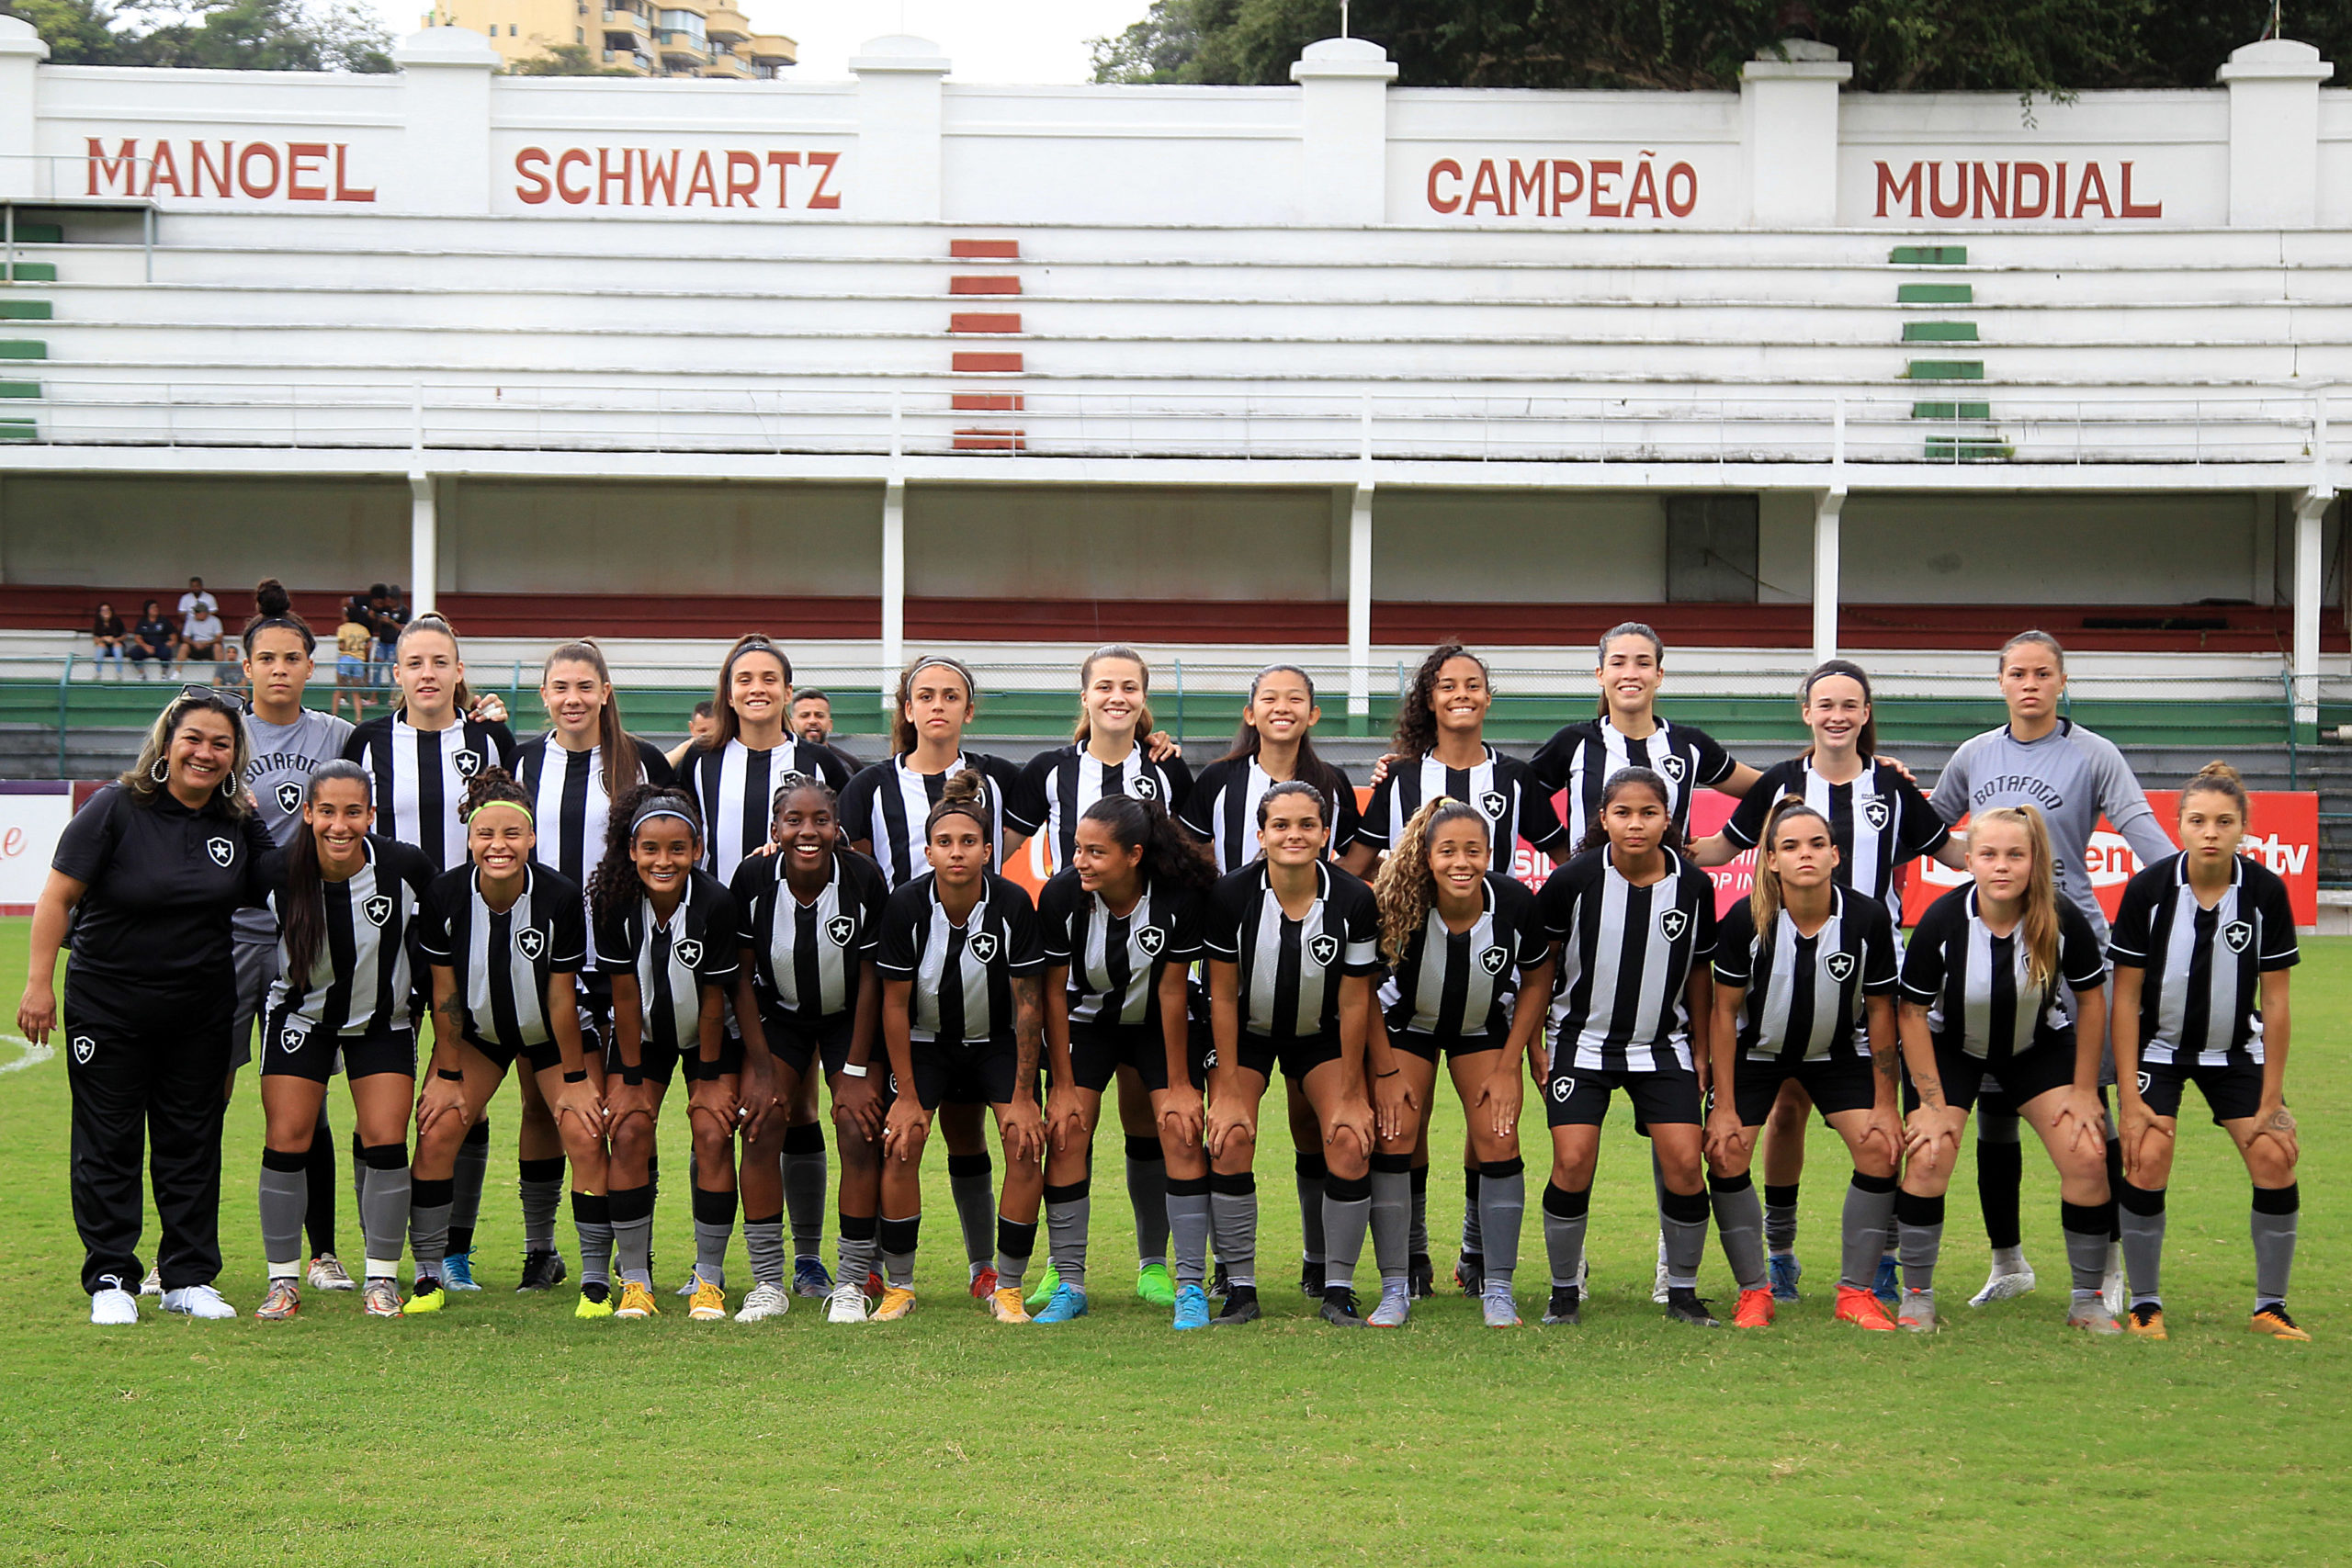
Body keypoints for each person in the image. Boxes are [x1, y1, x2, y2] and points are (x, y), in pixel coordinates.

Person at [1687, 659, 1961, 1304]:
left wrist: (2026, 847)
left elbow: (1954, 852)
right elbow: (1720, 848)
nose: (1837, 714)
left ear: (1866, 715)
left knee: (1884, 1131)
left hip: (1868, 983)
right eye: (1824, 703)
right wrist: (1630, 848)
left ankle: (1880, 1260)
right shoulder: (1782, 784)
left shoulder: (1892, 789)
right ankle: (1777, 1257)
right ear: (1805, 713)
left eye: (1850, 704)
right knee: (1783, 1113)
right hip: (1779, 992)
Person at [1928, 630, 2172, 1312]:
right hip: (1993, 945)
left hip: (2070, 947)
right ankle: (2009, 1262)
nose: (2029, 683)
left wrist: (2195, 880)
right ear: (2000, 680)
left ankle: (2111, 1262)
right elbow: (1938, 834)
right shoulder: (1976, 754)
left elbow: (2143, 833)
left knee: (2091, 1110)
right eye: (2016, 673)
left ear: (2062, 681)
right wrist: (1888, 788)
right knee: (1996, 1114)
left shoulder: (2095, 753)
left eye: (2042, 673)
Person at [18, 687, 277, 1324]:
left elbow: (278, 880)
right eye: (193, 738)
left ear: (234, 755)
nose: (205, 752)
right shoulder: (114, 808)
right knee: (109, 1141)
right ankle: (111, 1274)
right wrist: (38, 983)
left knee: (192, 1142)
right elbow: (56, 899)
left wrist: (256, 817)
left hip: (200, 1012)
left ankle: (187, 1276)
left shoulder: (234, 822)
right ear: (166, 743)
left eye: (221, 743)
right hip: (109, 1008)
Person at [1348, 642, 1570, 1302]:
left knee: (1495, 1129)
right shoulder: (1400, 779)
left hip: (1484, 1000)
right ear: (1431, 697)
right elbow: (1353, 866)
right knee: (1400, 1129)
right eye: (1449, 685)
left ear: (1488, 696)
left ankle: (1478, 1258)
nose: (1462, 694)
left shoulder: (1516, 779)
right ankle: (1410, 1263)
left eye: (1474, 684)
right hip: (1407, 996)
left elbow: (1564, 863)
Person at [840, 654, 1042, 1299]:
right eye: (923, 694)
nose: (936, 705)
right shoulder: (870, 786)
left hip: (984, 985)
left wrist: (1155, 741)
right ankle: (875, 1263)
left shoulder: (1005, 779)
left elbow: (1075, 772)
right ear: (906, 707)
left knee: (967, 1132)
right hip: (896, 978)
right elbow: (859, 872)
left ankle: (987, 1267)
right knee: (888, 1127)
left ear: (968, 709)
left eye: (950, 695)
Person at [342, 613, 516, 1290]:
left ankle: (452, 1251)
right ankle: (378, 1248)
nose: (427, 674)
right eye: (415, 662)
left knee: (461, 1102)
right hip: (380, 939)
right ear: (396, 674)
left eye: (440, 662)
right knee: (379, 1097)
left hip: (470, 942)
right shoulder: (366, 741)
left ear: (459, 670)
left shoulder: (490, 738)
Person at [1176, 663, 1361, 1301]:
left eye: (1297, 698)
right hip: (1237, 990)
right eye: (1269, 698)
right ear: (1250, 711)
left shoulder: (1333, 785)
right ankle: (1237, 1276)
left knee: (1329, 1129)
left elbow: (1358, 863)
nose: (1282, 707)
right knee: (1229, 1129)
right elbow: (1197, 858)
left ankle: (1327, 1270)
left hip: (1316, 996)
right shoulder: (1217, 783)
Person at [1894, 805, 2116, 1335]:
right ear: (1968, 860)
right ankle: (1917, 1297)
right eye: (1989, 854)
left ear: (2035, 860)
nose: (2002, 866)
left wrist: (2086, 1090)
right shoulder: (1943, 922)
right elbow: (1911, 1012)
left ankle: (2088, 1301)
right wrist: (1928, 1104)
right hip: (1952, 1049)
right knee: (1928, 1156)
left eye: (2015, 855)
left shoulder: (2061, 918)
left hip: (2035, 1048)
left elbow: (2092, 1001)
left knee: (2088, 1155)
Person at [674, 634, 852, 1298]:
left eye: (769, 678)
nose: (756, 688)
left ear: (786, 688)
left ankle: (805, 1258)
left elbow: (844, 840)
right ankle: (709, 1260)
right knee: (715, 1104)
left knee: (796, 1103)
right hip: (712, 957)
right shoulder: (697, 760)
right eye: (743, 677)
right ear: (728, 688)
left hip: (795, 959)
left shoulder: (818, 760)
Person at [1017, 643, 1192, 1313]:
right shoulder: (1050, 771)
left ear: (1144, 699)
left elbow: (1192, 858)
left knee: (1149, 1122)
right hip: (1081, 972)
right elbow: (994, 843)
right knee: (1070, 1121)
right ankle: (1064, 1272)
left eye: (1129, 687)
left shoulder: (1170, 770)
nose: (1116, 696)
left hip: (1150, 975)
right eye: (1104, 686)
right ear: (1084, 696)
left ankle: (1155, 1264)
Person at [2110, 763, 2307, 1341]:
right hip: (2159, 1048)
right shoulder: (2149, 890)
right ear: (2180, 827)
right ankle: (2145, 1303)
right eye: (2198, 821)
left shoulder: (2266, 892)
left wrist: (2272, 1099)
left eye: (2224, 821)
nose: (2211, 832)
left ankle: (2270, 1305)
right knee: (2146, 1156)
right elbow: (2124, 1000)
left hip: (2235, 1050)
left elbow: (2276, 1003)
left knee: (2275, 1157)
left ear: (2243, 828)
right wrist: (2128, 1096)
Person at [1704, 798, 1905, 1333]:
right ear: (1771, 861)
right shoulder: (1745, 920)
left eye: (1817, 844)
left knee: (1882, 1148)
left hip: (1837, 1054)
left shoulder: (1866, 918)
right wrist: (1723, 1106)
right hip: (1758, 1054)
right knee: (1725, 1153)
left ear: (1836, 855)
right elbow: (1723, 1014)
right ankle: (1755, 1291)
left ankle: (1856, 1293)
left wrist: (1887, 1104)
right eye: (1790, 846)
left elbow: (1883, 1012)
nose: (1805, 855)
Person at [411, 770, 606, 1317]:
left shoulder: (560, 896)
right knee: (438, 1128)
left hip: (550, 1033)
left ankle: (592, 1280)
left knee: (585, 1132)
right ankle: (428, 1273)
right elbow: (445, 995)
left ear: (532, 837)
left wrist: (574, 1080)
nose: (499, 845)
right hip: (479, 1033)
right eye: (486, 834)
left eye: (512, 834)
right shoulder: (444, 894)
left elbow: (563, 1000)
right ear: (470, 839)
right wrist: (447, 1075)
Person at [1532, 766, 1720, 1329]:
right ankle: (1565, 1290)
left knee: (1687, 1164)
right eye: (1623, 813)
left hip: (1662, 1046)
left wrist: (1704, 1052)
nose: (1635, 824)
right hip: (1579, 1042)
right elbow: (1541, 969)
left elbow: (1701, 976)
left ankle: (1682, 1291)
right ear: (1603, 818)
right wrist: (1536, 1044)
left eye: (1648, 813)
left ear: (1668, 818)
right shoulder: (1572, 881)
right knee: (1572, 1161)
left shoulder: (1693, 886)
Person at [250, 762, 435, 1321]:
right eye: (326, 811)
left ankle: (381, 1278)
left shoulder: (404, 867)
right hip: (301, 1020)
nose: (338, 825)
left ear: (370, 815)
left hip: (382, 1022)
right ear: (308, 813)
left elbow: (439, 943)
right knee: (287, 1138)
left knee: (384, 1139)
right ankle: (282, 1281)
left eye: (352, 812)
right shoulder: (277, 871)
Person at [1198, 780, 1381, 1328]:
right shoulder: (1230, 895)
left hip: (1320, 1034)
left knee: (1349, 1139)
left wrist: (1352, 1092)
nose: (1294, 835)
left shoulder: (1353, 898)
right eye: (1281, 825)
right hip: (1246, 1033)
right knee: (1229, 1137)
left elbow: (1355, 1001)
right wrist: (1228, 1090)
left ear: (1326, 834)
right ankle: (1239, 1287)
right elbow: (1222, 995)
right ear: (1261, 835)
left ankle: (1338, 1289)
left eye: (1307, 825)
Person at [1366, 796, 1555, 1327]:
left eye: (1473, 850)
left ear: (1490, 854)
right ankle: (1397, 1282)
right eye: (1447, 851)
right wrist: (1382, 1071)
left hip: (1482, 1029)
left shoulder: (1514, 902)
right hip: (1408, 1026)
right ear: (1427, 858)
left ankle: (1497, 1287)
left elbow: (1538, 980)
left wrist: (1510, 1063)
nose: (1460, 862)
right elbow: (1361, 990)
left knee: (1499, 1136)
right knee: (1396, 1133)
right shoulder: (1399, 904)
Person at [1034, 793, 1217, 1325]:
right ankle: (1069, 1282)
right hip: (1086, 1023)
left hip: (1157, 1025)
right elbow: (1051, 992)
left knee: (1182, 1130)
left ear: (1133, 855)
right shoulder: (1064, 896)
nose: (1081, 862)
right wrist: (1063, 1085)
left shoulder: (1177, 897)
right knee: (1066, 1130)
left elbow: (1173, 992)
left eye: (1095, 852)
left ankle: (1188, 1285)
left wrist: (1180, 1084)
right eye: (1077, 849)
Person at [871, 771, 1048, 1324]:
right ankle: (899, 1286)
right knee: (902, 1142)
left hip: (995, 1042)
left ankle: (1008, 1286)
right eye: (945, 843)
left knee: (1023, 1141)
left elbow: (1027, 1006)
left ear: (988, 849)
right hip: (927, 1043)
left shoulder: (1014, 903)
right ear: (928, 851)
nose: (956, 852)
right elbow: (894, 1006)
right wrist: (902, 1094)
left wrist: (1024, 1094)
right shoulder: (905, 906)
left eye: (968, 842)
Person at [227, 581, 358, 1301]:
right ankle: (178, 1253)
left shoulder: (336, 738)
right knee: (200, 1096)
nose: (279, 668)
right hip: (230, 937)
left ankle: (325, 1252)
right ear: (243, 665)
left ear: (312, 666)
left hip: (310, 939)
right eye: (266, 658)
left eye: (292, 658)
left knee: (305, 1099)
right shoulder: (220, 732)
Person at [729, 771, 889, 1324]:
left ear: (836, 826)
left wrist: (852, 1068)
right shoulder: (752, 877)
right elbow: (742, 978)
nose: (807, 830)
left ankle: (850, 1282)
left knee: (857, 1123)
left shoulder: (862, 877)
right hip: (780, 1018)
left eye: (820, 819)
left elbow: (873, 977)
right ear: (775, 827)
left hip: (850, 1019)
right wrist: (763, 1070)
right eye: (793, 820)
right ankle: (769, 1282)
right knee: (762, 1121)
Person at [590, 787, 749, 1320]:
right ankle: (635, 1281)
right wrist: (630, 1076)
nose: (664, 860)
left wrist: (706, 1077)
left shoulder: (715, 903)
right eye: (651, 849)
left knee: (711, 1129)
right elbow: (624, 994)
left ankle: (709, 1278)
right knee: (630, 1127)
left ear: (697, 850)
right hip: (644, 1037)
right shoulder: (614, 901)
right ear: (632, 850)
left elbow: (712, 999)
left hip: (709, 1037)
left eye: (677, 848)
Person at [1531, 622, 1761, 845]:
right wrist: (1561, 849)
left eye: (1643, 664)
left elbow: (1771, 789)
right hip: (1587, 885)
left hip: (1669, 885)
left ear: (1659, 675)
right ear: (1600, 674)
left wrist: (1726, 844)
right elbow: (1518, 798)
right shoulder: (1572, 743)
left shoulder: (1689, 745)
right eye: (1618, 663)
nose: (1630, 674)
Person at [791, 689, 862, 774]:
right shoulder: (781, 760)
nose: (812, 721)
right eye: (805, 716)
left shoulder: (851, 764)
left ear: (830, 724)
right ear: (792, 725)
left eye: (819, 716)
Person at [333, 610, 374, 722]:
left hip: (346, 658)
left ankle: (334, 715)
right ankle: (358, 717)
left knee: (339, 689)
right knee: (356, 692)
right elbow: (368, 644)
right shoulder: (363, 629)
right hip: (359, 660)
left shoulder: (343, 628)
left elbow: (341, 646)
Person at [663, 700, 718, 773]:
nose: (708, 736)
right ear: (692, 728)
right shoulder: (684, 753)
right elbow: (657, 770)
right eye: (702, 731)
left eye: (714, 731)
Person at [130, 600, 175, 678]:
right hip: (146, 646)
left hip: (160, 645)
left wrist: (172, 642)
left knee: (166, 652)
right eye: (152, 607)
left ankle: (164, 674)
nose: (155, 609)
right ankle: (142, 673)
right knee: (134, 652)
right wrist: (146, 646)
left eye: (156, 607)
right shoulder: (142, 621)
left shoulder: (164, 620)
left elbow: (173, 635)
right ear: (147, 610)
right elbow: (137, 637)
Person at [180, 602, 226, 673]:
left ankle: (220, 673)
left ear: (204, 613)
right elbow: (185, 637)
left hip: (209, 646)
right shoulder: (190, 621)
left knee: (218, 647)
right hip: (195, 645)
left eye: (197, 612)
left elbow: (219, 638)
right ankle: (177, 672)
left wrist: (206, 643)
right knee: (184, 646)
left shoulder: (215, 621)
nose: (195, 614)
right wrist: (194, 643)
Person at [90, 602, 127, 680]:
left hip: (117, 648)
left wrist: (114, 640)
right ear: (100, 613)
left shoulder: (117, 621)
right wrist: (103, 639)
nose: (106, 612)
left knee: (117, 645)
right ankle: (98, 673)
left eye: (107, 610)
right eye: (103, 610)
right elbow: (96, 640)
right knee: (101, 645)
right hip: (105, 649)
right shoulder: (98, 624)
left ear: (111, 611)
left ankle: (119, 673)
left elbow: (124, 636)